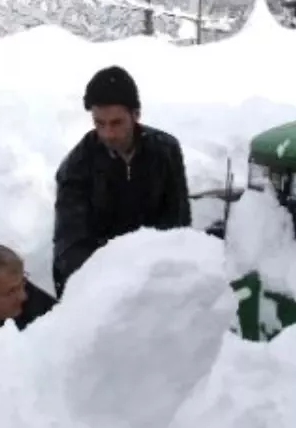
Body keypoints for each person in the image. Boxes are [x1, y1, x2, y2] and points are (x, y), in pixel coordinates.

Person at [50, 65, 191, 298]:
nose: (107, 133)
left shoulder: (165, 151)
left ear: (136, 115)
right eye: (99, 123)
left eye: (116, 123)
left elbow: (177, 224)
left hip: (157, 273)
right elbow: (70, 249)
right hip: (101, 285)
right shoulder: (77, 168)